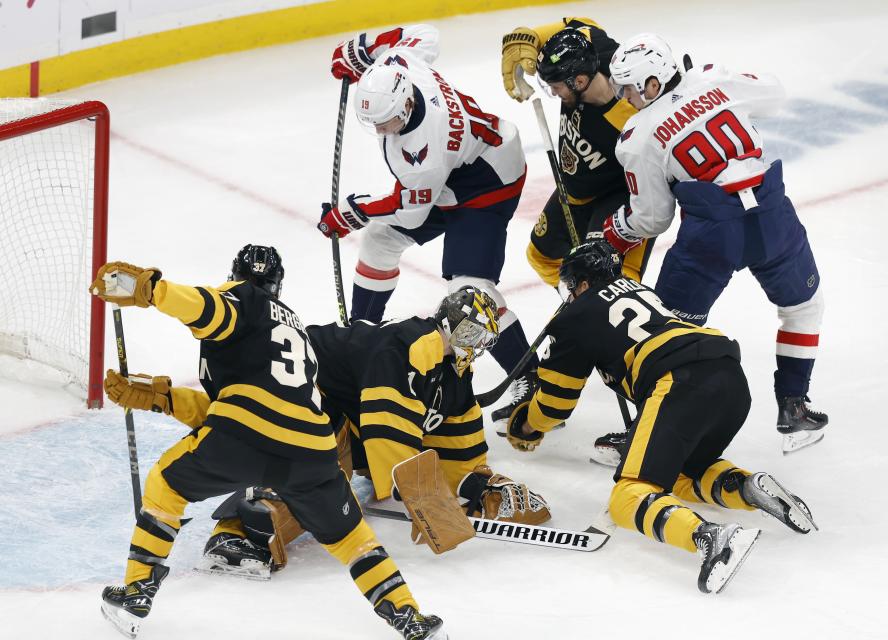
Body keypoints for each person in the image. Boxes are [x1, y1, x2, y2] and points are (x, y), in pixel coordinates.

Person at [90, 245, 445, 640]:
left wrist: (151, 290)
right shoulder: (296, 329)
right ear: (279, 285)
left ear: (236, 276)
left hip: (243, 438)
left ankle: (137, 590)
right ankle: (411, 618)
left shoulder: (242, 299)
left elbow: (205, 308)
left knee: (165, 485)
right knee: (352, 539)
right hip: (312, 450)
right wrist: (163, 398)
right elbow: (252, 402)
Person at [105, 288, 549, 578]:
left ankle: (169, 401)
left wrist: (477, 481)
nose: (471, 345)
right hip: (300, 390)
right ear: (446, 319)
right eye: (467, 331)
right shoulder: (409, 346)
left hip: (344, 410)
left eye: (481, 339)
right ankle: (247, 527)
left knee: (336, 460)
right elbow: (385, 428)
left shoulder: (452, 371)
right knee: (311, 464)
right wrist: (425, 501)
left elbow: (457, 431)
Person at [504, 242, 818, 594]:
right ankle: (747, 487)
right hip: (728, 376)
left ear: (583, 283)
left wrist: (526, 426)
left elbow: (555, 404)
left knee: (628, 497)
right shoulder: (642, 291)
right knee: (683, 475)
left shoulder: (574, 317)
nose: (570, 294)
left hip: (679, 384)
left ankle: (710, 537)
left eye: (572, 286)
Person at [604, 33, 828, 454]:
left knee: (666, 333)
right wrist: (719, 83)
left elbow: (653, 217)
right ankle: (794, 410)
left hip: (711, 232)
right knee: (803, 308)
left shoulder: (637, 135)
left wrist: (615, 231)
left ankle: (643, 435)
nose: (626, 98)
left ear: (653, 83)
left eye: (630, 88)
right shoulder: (710, 80)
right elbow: (775, 93)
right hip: (770, 215)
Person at [319, 24, 539, 404]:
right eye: (372, 122)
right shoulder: (399, 64)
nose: (380, 129)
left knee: (470, 292)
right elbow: (425, 34)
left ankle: (529, 376)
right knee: (379, 241)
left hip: (488, 183)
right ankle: (361, 336)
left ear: (406, 105)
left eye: (385, 121)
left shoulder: (423, 149)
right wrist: (365, 48)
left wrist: (354, 211)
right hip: (455, 174)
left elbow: (412, 214)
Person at [495, 18, 658, 424]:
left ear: (582, 80)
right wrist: (527, 38)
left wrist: (629, 228)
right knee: (541, 257)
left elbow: (657, 183)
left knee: (616, 296)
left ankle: (648, 402)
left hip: (617, 203)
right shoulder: (593, 52)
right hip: (574, 192)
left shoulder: (630, 124)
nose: (552, 93)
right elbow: (579, 26)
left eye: (558, 86)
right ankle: (582, 309)